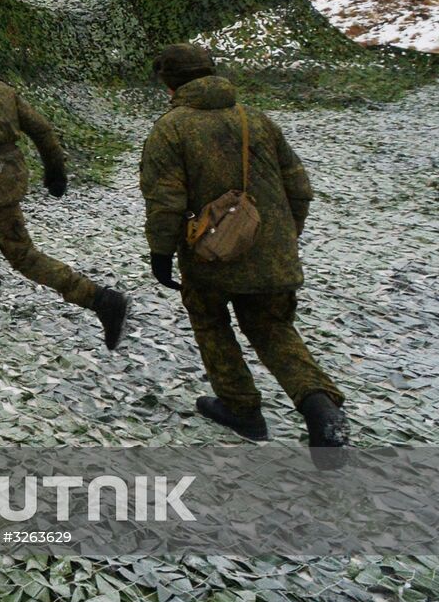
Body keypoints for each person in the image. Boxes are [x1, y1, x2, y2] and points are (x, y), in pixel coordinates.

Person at [138, 43, 348, 454]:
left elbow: (166, 201)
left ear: (169, 83)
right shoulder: (257, 120)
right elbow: (300, 188)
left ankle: (242, 409)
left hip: (208, 256)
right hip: (273, 249)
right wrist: (283, 238)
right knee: (273, 328)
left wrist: (160, 254)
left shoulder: (171, 129)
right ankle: (320, 407)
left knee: (210, 321)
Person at [0, 35, 129, 350]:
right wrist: (55, 170)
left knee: (22, 254)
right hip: (11, 174)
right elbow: (41, 128)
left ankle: (101, 299)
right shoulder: (4, 89)